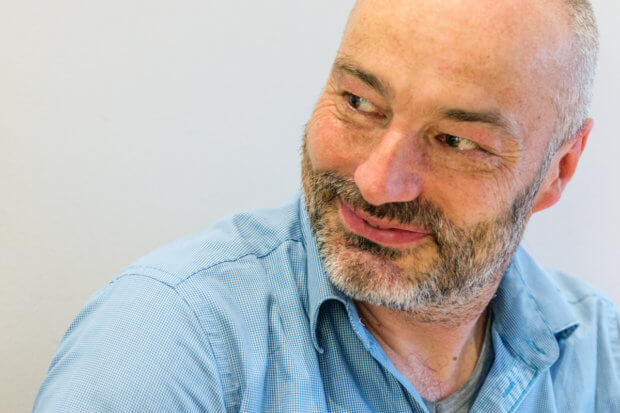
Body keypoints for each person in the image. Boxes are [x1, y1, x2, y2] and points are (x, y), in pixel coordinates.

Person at [35, 0, 618, 411]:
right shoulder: (170, 341)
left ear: (559, 170)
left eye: (456, 141)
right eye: (359, 103)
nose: (376, 182)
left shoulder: (602, 356)